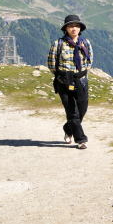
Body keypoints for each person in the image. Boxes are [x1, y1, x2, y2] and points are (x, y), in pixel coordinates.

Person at [47, 14, 94, 149]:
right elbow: (51, 63)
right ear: (66, 29)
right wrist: (63, 76)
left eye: (77, 26)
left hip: (81, 80)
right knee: (72, 111)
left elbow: (90, 60)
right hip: (64, 81)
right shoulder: (58, 44)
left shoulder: (85, 43)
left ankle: (68, 129)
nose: (74, 28)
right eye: (71, 26)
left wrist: (82, 73)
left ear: (80, 28)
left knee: (82, 109)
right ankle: (81, 140)